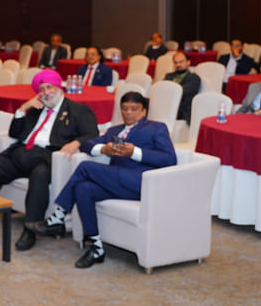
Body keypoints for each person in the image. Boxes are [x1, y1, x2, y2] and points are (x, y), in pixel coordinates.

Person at [0, 69, 98, 252]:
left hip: (47, 157)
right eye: (42, 89)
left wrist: (77, 142)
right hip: (22, 153)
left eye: (49, 87)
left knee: (40, 175)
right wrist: (22, 109)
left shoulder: (78, 110)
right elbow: (14, 133)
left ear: (59, 87)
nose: (46, 92)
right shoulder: (35, 108)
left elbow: (93, 134)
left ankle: (31, 229)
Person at [33, 91, 176, 268]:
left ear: (144, 111)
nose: (128, 113)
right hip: (118, 182)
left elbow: (169, 159)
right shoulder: (114, 131)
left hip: (142, 182)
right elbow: (88, 143)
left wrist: (135, 152)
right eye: (125, 108)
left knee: (86, 167)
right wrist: (103, 149)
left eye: (134, 109)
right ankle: (96, 248)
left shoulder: (156, 128)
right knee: (83, 189)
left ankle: (58, 216)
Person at [163, 51, 201, 125]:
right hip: (166, 105)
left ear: (188, 62)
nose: (178, 65)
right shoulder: (169, 76)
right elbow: (162, 89)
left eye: (181, 62)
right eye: (176, 63)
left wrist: (169, 92)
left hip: (181, 109)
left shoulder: (194, 78)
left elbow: (182, 93)